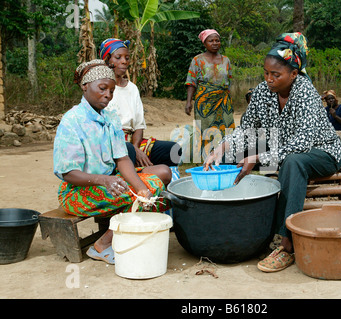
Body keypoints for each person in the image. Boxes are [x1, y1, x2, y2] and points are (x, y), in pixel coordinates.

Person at [204, 33, 341, 272]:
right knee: (230, 155)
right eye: (266, 73)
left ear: (294, 74)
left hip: (320, 151)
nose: (269, 79)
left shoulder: (306, 93)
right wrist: (222, 147)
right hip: (279, 147)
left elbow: (301, 144)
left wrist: (258, 157)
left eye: (276, 75)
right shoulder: (262, 91)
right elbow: (247, 128)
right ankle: (230, 225)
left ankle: (287, 244)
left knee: (293, 162)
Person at [53, 59, 172, 264]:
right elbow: (67, 173)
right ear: (84, 86)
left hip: (109, 182)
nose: (108, 95)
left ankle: (128, 228)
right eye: (102, 88)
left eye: (111, 90)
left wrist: (140, 188)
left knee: (158, 176)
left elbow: (122, 158)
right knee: (140, 192)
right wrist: (104, 181)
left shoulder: (111, 117)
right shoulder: (72, 121)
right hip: (76, 192)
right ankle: (103, 245)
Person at [99, 38, 181, 168]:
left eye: (127, 58)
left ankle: (157, 181)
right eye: (118, 57)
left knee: (173, 150)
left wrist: (136, 148)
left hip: (133, 141)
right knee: (128, 151)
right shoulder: (100, 88)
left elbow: (138, 125)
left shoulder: (132, 89)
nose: (124, 61)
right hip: (111, 143)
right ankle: (135, 180)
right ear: (107, 59)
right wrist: (133, 150)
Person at [185, 29, 235, 158]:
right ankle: (206, 158)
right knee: (206, 129)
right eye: (211, 41)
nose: (215, 43)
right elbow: (191, 82)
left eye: (217, 40)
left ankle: (226, 157)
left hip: (223, 101)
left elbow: (228, 81)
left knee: (227, 128)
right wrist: (189, 102)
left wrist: (229, 101)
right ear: (204, 43)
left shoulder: (226, 60)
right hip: (204, 102)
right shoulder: (197, 60)